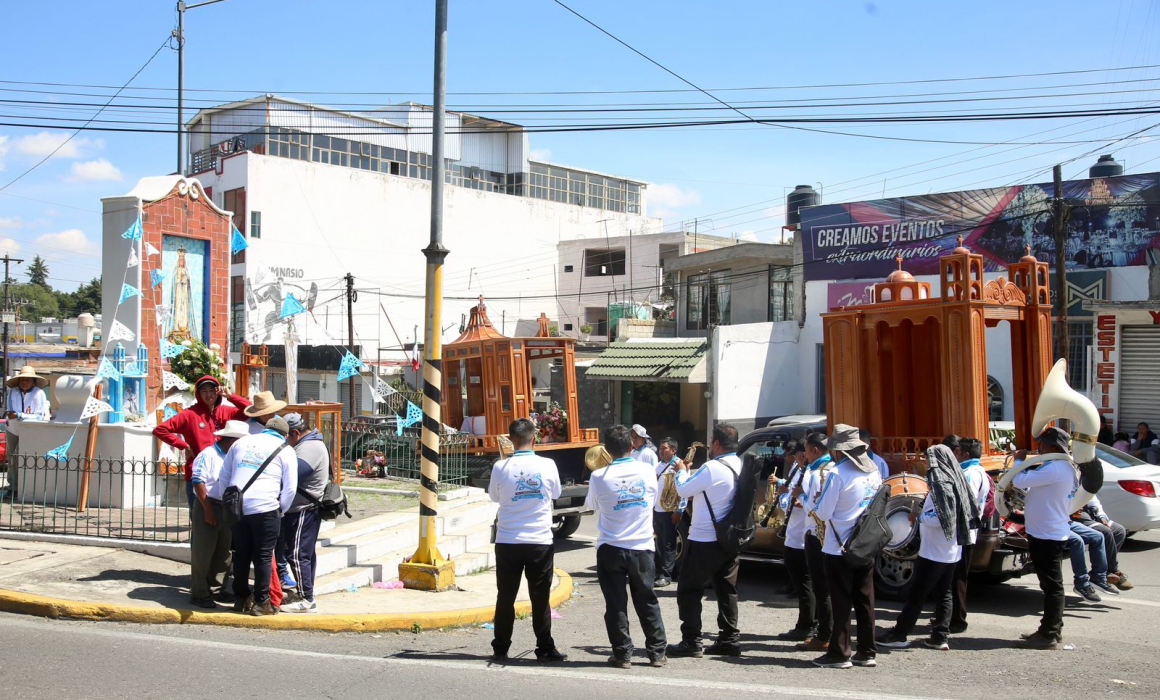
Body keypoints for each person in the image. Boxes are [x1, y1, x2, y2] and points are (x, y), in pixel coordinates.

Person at [878, 444, 977, 652]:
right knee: (944, 593)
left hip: (935, 550)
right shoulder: (956, 477)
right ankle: (939, 636)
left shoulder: (941, 480)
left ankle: (900, 633)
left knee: (917, 594)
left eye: (928, 457)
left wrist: (919, 517)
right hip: (950, 549)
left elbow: (943, 517)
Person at [585, 424, 667, 668]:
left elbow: (592, 506)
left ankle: (623, 655)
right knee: (647, 599)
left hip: (611, 546)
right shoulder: (647, 470)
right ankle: (657, 653)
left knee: (615, 603)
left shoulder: (598, 475)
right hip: (642, 547)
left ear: (606, 449)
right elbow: (652, 501)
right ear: (632, 445)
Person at [487, 418, 567, 663]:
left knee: (506, 597)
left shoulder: (500, 467)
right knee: (540, 598)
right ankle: (544, 647)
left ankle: (500, 647)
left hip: (508, 541)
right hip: (539, 542)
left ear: (511, 439)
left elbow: (494, 497)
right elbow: (556, 494)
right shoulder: (548, 464)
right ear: (534, 438)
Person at [667, 423, 744, 659]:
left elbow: (682, 489)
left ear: (717, 443)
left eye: (711, 442)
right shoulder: (740, 464)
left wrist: (681, 469)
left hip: (704, 538)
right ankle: (729, 639)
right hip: (729, 538)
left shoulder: (712, 467)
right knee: (726, 590)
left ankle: (691, 641)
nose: (710, 446)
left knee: (689, 589)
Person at [810, 424, 883, 669]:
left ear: (839, 451)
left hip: (838, 545)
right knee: (865, 599)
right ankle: (867, 650)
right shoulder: (873, 471)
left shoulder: (838, 474)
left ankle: (840, 653)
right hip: (865, 542)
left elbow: (823, 511)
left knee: (841, 600)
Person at [211, 416, 298, 616]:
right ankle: (261, 602)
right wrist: (281, 509)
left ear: (265, 429)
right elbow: (290, 488)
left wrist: (231, 503)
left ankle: (240, 598)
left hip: (239, 507)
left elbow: (224, 478)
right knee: (264, 556)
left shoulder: (241, 442)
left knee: (241, 553)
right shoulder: (286, 450)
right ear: (285, 435)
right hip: (266, 507)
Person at [1014, 426, 1078, 650]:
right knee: (1051, 584)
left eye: (1042, 443)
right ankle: (1051, 628)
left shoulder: (1057, 468)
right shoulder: (1060, 467)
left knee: (1052, 586)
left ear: (1052, 447)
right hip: (1047, 531)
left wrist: (1018, 462)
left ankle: (1049, 634)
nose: (1039, 447)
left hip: (1047, 534)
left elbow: (1019, 480)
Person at [153, 376, 252, 510]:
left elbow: (250, 411)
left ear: (218, 392)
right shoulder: (189, 414)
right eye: (204, 391)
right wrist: (184, 446)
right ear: (198, 394)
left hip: (224, 474)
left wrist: (231, 396)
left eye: (212, 390)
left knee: (225, 521)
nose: (209, 394)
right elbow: (160, 430)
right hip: (198, 476)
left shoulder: (225, 412)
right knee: (199, 521)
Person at [188, 419, 249, 608]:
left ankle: (217, 588)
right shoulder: (208, 455)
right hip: (210, 504)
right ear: (232, 440)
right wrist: (207, 509)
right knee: (203, 551)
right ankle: (199, 592)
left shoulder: (232, 456)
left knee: (223, 551)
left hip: (226, 506)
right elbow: (198, 481)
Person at [278, 412, 329, 613]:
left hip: (303, 510)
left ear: (296, 433)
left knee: (298, 555)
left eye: (285, 436)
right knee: (303, 554)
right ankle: (305, 593)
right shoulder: (306, 444)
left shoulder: (310, 447)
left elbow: (293, 474)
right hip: (300, 509)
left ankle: (306, 599)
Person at [776, 441, 823, 644]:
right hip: (797, 533)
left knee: (805, 585)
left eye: (797, 454)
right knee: (805, 584)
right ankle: (811, 623)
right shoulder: (801, 470)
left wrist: (786, 495)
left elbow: (805, 504)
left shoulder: (811, 474)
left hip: (801, 536)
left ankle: (807, 625)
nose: (795, 458)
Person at [944, 437, 991, 634]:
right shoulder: (978, 471)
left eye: (957, 453)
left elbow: (964, 502)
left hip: (963, 533)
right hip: (966, 532)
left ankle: (957, 619)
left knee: (957, 578)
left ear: (965, 454)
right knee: (955, 577)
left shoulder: (970, 474)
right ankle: (950, 616)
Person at [795, 432, 834, 653]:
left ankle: (825, 634)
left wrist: (799, 496)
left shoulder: (816, 472)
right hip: (834, 533)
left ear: (815, 450)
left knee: (822, 587)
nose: (806, 455)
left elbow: (813, 508)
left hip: (817, 533)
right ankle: (828, 631)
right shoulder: (834, 468)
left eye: (807, 451)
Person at [1073, 495, 1132, 590]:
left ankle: (1108, 570)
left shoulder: (1084, 481)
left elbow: (1093, 499)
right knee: (1105, 532)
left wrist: (1102, 516)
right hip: (1074, 515)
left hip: (1088, 513)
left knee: (1119, 531)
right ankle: (1104, 573)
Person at [652, 437, 685, 588]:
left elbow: (684, 490)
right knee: (659, 542)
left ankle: (666, 575)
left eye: (664, 448)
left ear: (673, 450)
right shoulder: (658, 465)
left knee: (669, 544)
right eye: (660, 448)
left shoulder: (680, 466)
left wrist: (679, 510)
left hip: (670, 511)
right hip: (657, 509)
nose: (660, 451)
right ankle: (659, 571)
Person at [1066, 518, 1117, 602]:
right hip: (1047, 523)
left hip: (1065, 521)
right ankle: (1081, 583)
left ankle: (1098, 578)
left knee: (1098, 536)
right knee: (1077, 541)